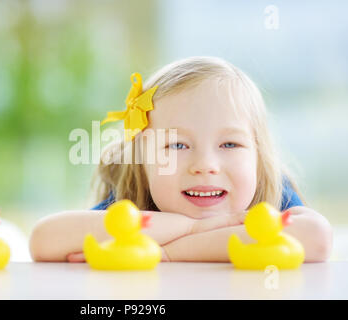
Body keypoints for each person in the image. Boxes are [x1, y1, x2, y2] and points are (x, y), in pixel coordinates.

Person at [30, 56, 332, 263]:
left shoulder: (270, 190)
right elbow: (44, 240)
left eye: (229, 143)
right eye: (177, 145)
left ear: (258, 155)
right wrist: (191, 227)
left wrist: (169, 251)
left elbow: (317, 238)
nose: (205, 165)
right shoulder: (136, 196)